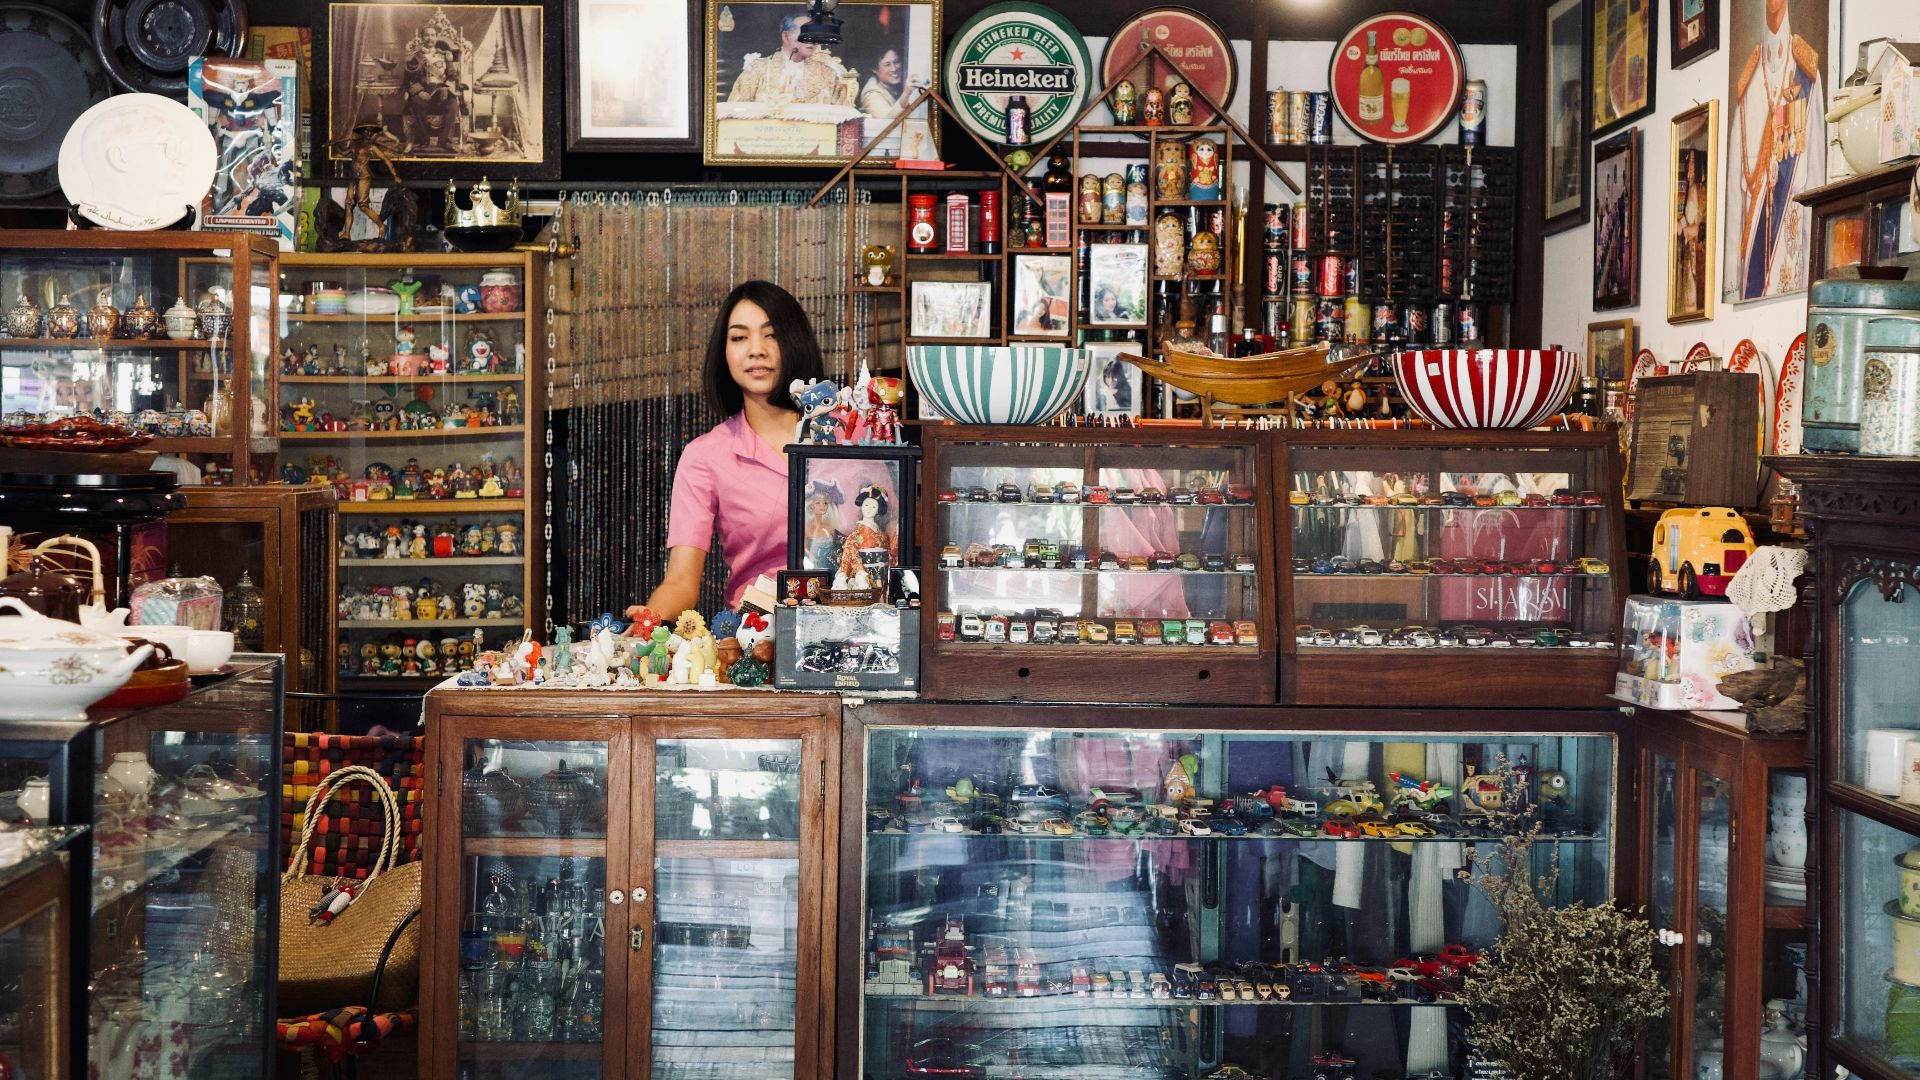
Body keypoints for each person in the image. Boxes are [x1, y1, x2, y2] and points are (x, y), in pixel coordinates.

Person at [631, 281, 826, 620]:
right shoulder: (705, 457)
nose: (756, 350)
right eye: (739, 337)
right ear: (724, 352)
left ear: (795, 341)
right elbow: (680, 581)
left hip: (857, 637)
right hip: (757, 641)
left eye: (771, 334)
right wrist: (650, 618)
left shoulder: (853, 437)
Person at [1728, 0, 1823, 300]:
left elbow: (1817, 181)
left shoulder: (1806, 75)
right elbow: (1733, 203)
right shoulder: (1748, 85)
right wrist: (1732, 288)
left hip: (1792, 278)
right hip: (1751, 285)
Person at [728, 13, 857, 107]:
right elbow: (735, 112)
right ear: (786, 36)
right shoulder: (758, 71)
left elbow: (843, 116)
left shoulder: (828, 74)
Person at [858, 48, 920, 118]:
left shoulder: (895, 84)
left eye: (896, 62)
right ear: (875, 69)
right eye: (887, 65)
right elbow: (886, 121)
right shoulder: (871, 93)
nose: (894, 69)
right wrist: (906, 93)